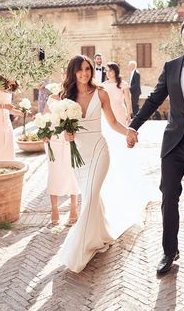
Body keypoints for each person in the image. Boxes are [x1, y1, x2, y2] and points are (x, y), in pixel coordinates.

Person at [126, 16, 184, 274]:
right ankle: (169, 252)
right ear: (181, 39)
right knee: (168, 198)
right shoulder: (171, 66)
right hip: (173, 145)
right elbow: (153, 99)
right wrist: (133, 125)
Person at [59, 54, 129, 273]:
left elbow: (113, 122)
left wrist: (129, 132)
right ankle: (100, 236)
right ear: (73, 72)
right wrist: (66, 135)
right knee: (91, 197)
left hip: (99, 151)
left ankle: (76, 250)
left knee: (88, 199)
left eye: (87, 69)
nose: (84, 73)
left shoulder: (101, 93)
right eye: (80, 69)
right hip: (78, 156)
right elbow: (63, 128)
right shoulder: (65, 97)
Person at [43, 86, 80, 226]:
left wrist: (73, 132)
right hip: (53, 139)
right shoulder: (52, 98)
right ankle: (54, 209)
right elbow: (45, 116)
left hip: (70, 139)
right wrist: (44, 132)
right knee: (54, 172)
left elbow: (78, 118)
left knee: (72, 172)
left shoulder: (74, 97)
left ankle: (73, 208)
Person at [0, 76, 24, 161]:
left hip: (6, 122)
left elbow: (8, 109)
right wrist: (4, 106)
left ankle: (9, 165)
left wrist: (19, 113)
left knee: (9, 144)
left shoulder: (10, 89)